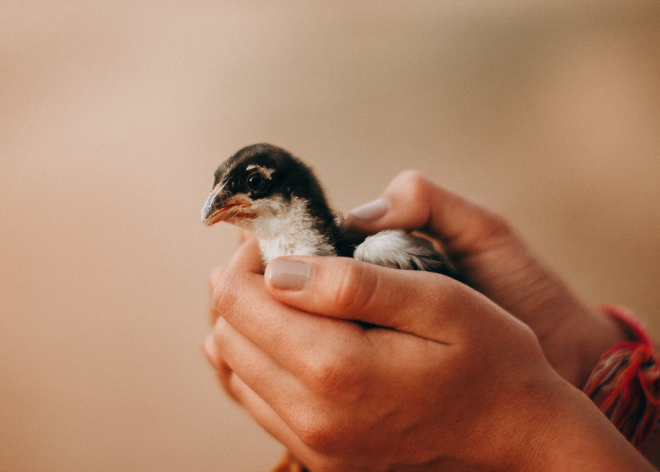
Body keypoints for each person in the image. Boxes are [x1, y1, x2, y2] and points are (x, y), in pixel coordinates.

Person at [204, 171, 659, 472]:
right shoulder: (277, 265)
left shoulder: (379, 254)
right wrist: (580, 363)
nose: (225, 203)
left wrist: (523, 432)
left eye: (248, 187)